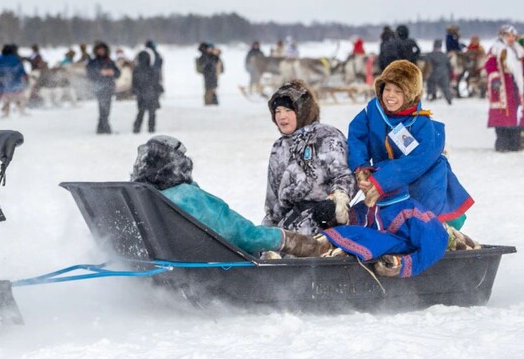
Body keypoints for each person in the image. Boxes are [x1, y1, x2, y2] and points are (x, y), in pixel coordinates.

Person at [333, 60, 475, 276]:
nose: (390, 96)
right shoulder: (374, 110)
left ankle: (427, 249)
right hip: (386, 183)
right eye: (387, 89)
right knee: (381, 217)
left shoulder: (423, 125)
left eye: (398, 91)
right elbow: (357, 136)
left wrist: (380, 181)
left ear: (409, 94)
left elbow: (414, 164)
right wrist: (361, 167)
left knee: (420, 225)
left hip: (423, 184)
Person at [131, 135, 332, 257]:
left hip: (167, 266)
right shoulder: (188, 198)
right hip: (215, 274)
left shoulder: (141, 197)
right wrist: (292, 241)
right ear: (176, 167)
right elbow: (244, 235)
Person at [263, 81, 355, 236]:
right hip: (288, 225)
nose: (282, 116)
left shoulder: (325, 136)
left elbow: (344, 175)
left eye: (288, 110)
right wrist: (267, 233)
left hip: (324, 223)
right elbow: (273, 199)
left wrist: (335, 203)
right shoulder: (279, 147)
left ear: (302, 111)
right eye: (277, 111)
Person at [485, 25, 524, 152]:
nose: (511, 38)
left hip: (516, 88)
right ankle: (502, 144)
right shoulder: (496, 49)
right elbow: (490, 65)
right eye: (508, 36)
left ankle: (515, 143)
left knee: (516, 115)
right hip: (502, 88)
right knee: (502, 116)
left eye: (513, 36)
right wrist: (495, 79)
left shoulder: (519, 51)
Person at [84, 41, 118, 134]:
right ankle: (105, 128)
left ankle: (101, 128)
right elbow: (89, 74)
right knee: (103, 108)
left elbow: (118, 73)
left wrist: (112, 72)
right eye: (99, 49)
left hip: (109, 87)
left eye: (103, 49)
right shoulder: (93, 62)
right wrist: (100, 73)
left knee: (107, 108)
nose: (101, 51)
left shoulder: (109, 61)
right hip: (99, 88)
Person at [132, 41, 163, 133]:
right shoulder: (140, 70)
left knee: (148, 112)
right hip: (145, 94)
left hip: (150, 93)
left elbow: (156, 81)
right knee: (143, 112)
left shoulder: (148, 70)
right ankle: (140, 128)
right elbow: (135, 83)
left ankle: (148, 128)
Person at [0, 44, 28, 117]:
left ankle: (6, 113)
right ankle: (21, 111)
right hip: (16, 83)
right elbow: (21, 71)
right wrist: (25, 77)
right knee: (19, 99)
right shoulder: (16, 59)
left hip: (4, 85)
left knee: (6, 100)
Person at [424, 39, 454, 105]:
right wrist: (451, 72)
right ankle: (449, 99)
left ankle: (431, 95)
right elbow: (449, 65)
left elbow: (427, 64)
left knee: (431, 83)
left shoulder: (430, 55)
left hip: (434, 73)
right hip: (444, 73)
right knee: (445, 87)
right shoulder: (444, 55)